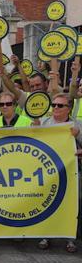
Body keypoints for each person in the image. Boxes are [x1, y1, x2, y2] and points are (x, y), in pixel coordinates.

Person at [37, 93, 82, 253]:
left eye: (60, 105)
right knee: (46, 202)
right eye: (54, 105)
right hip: (46, 173)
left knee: (71, 203)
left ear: (68, 108)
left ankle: (70, 239)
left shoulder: (77, 125)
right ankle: (45, 236)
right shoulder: (44, 123)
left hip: (71, 171)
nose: (55, 108)